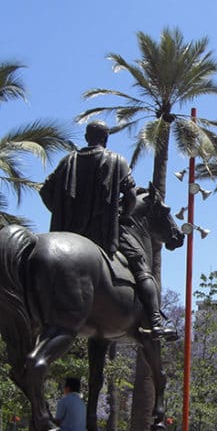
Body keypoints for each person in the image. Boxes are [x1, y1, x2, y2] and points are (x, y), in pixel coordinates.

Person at [40, 121, 175, 340]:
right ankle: (156, 321)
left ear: (86, 136)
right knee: (141, 268)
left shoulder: (68, 161)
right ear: (106, 138)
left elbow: (45, 190)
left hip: (67, 233)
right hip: (102, 234)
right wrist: (122, 217)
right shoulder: (116, 160)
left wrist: (63, 213)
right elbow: (131, 196)